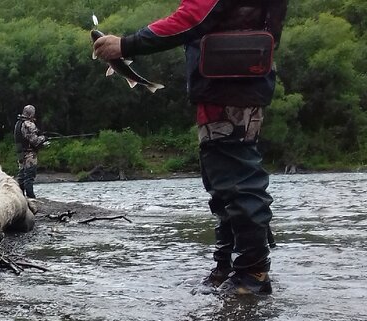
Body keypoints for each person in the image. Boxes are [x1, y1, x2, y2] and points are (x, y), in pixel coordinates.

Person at [93, 0, 286, 296]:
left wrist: (126, 45)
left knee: (239, 182)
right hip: (229, 82)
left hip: (230, 84)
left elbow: (193, 17)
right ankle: (229, 266)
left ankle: (252, 272)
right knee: (223, 181)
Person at [13, 105, 48, 199]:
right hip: (29, 155)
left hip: (20, 154)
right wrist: (44, 138)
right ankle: (31, 198)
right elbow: (35, 141)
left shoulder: (18, 123)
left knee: (21, 177)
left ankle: (20, 198)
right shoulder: (28, 124)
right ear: (31, 113)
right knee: (29, 177)